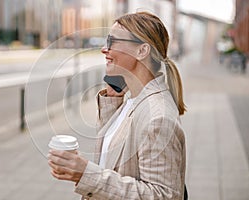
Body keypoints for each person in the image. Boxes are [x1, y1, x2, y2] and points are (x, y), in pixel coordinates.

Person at [47, 11, 187, 199]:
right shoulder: (133, 100)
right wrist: (112, 103)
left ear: (142, 51)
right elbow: (115, 159)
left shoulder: (157, 117)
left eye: (112, 42)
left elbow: (162, 195)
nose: (104, 49)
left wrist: (85, 174)